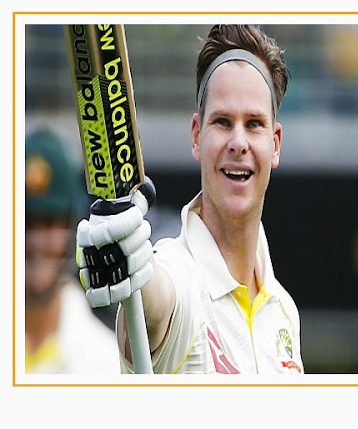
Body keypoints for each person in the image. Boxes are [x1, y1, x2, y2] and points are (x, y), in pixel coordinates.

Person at [77, 25, 303, 375]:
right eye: (223, 122)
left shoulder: (284, 311)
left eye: (254, 123)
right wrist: (131, 265)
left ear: (275, 144)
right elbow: (155, 299)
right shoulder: (176, 274)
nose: (238, 142)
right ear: (197, 136)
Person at [25, 129, 120, 374]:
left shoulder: (107, 363)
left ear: (72, 229)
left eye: (49, 223)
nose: (35, 243)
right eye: (24, 223)